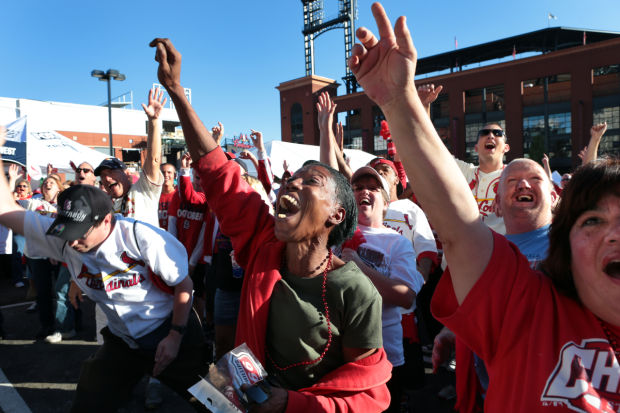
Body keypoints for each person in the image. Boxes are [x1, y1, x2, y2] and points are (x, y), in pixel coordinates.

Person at [349, 4, 619, 412]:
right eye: (594, 221)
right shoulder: (530, 299)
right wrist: (399, 102)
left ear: (555, 199)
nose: (614, 233)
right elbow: (457, 223)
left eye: (534, 181)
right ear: (569, 245)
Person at [150, 37, 391, 412]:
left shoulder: (357, 291)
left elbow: (366, 395)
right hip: (240, 391)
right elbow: (217, 170)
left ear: (336, 215)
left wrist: (289, 403)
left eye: (310, 181)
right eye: (292, 177)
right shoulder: (264, 244)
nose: (292, 182)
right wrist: (177, 91)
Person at [0, 132, 207, 412]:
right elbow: (5, 211)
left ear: (106, 220)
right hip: (123, 341)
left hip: (169, 330)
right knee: (90, 399)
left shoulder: (140, 237)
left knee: (212, 398)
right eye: (66, 230)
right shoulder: (63, 239)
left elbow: (184, 285)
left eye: (80, 232)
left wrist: (175, 336)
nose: (72, 242)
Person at [342, 166, 424, 413]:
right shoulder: (334, 235)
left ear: (386, 204)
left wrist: (359, 266)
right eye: (357, 188)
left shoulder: (397, 242)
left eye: (373, 188)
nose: (364, 191)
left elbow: (406, 295)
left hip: (384, 354)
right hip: (340, 354)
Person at [94, 87, 165, 227]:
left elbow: (154, 159)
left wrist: (154, 122)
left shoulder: (143, 190)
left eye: (111, 172)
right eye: (102, 175)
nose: (107, 178)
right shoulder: (106, 207)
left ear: (127, 174)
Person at [158, 162, 177, 230]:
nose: (166, 175)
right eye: (163, 172)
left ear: (174, 176)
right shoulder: (154, 196)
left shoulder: (178, 196)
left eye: (169, 172)